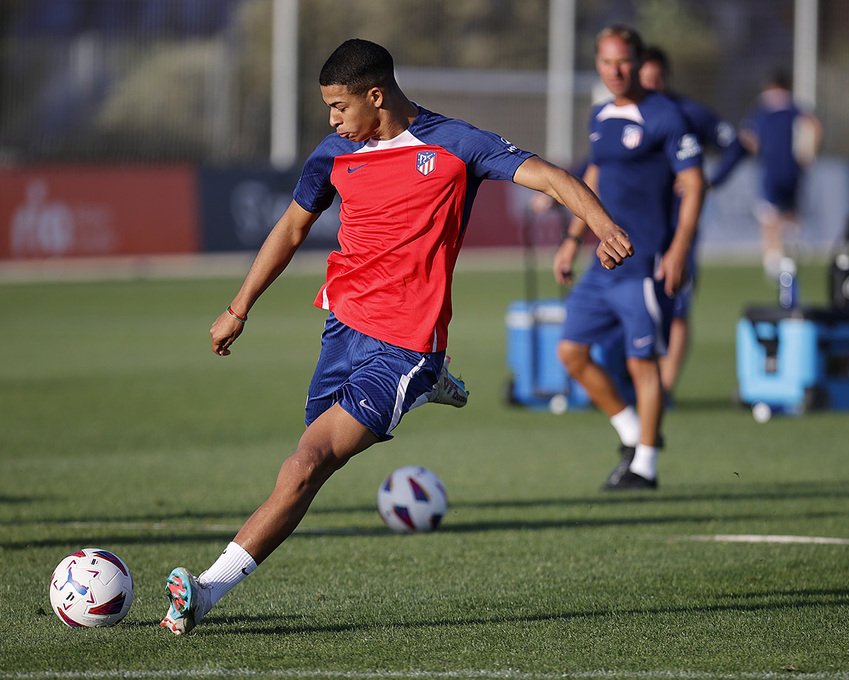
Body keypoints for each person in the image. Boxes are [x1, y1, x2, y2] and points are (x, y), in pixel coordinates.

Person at [160, 38, 634, 635]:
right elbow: (290, 227)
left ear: (375, 96)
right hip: (343, 328)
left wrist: (603, 225)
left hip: (406, 341)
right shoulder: (334, 153)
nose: (331, 120)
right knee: (305, 462)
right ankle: (429, 384)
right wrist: (239, 307)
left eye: (338, 106)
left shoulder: (456, 144)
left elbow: (550, 178)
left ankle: (205, 593)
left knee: (305, 464)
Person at [553, 26, 704, 491]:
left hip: (643, 265)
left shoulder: (666, 116)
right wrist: (573, 237)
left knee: (643, 364)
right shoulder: (600, 115)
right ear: (597, 65)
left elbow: (696, 184)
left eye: (623, 61)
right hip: (601, 265)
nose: (615, 71)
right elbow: (595, 177)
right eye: (605, 63)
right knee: (571, 353)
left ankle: (646, 467)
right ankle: (631, 432)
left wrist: (678, 251)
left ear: (638, 61)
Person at [638, 45, 747, 399]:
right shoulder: (626, 115)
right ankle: (640, 385)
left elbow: (736, 145)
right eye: (645, 79)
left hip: (679, 226)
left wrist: (711, 181)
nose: (651, 86)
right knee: (637, 306)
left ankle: (664, 390)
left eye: (656, 78)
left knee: (678, 306)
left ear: (666, 78)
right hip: (637, 227)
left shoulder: (688, 112)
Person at [738, 69, 823, 281]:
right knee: (790, 210)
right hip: (793, 169)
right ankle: (792, 248)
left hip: (771, 169)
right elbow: (814, 126)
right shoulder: (795, 108)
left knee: (768, 215)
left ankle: (773, 259)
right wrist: (810, 153)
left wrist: (758, 152)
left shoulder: (763, 110)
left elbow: (748, 136)